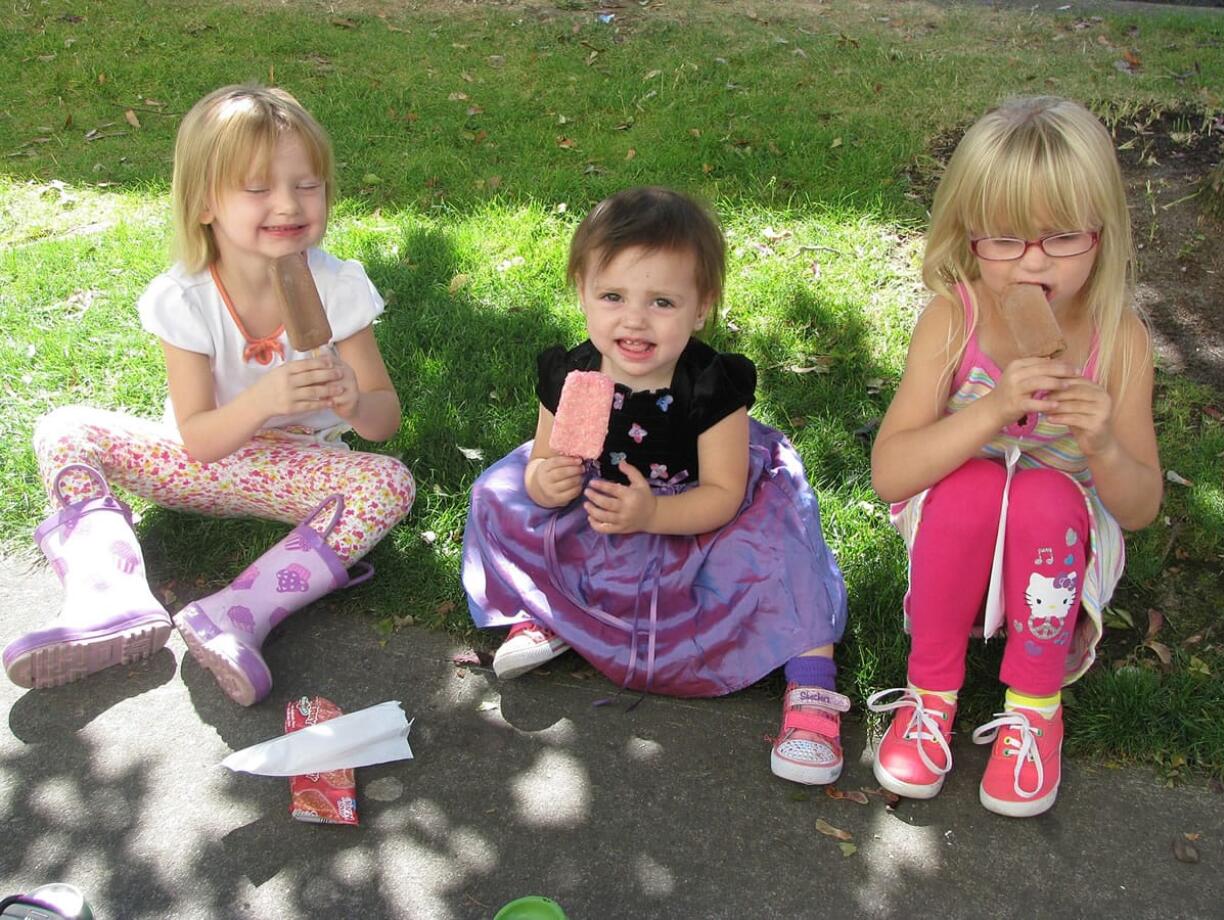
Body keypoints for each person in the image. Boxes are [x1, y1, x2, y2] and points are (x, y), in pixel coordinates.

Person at [2, 85, 414, 705]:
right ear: (203, 204)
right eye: (258, 188)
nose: (288, 203)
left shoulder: (338, 288)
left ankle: (237, 614)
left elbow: (385, 422)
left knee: (389, 482)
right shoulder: (186, 297)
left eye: (308, 184)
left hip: (299, 474)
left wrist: (355, 399)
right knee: (64, 427)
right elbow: (198, 438)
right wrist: (267, 397)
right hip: (196, 464)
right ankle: (107, 595)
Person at [462, 187, 849, 785]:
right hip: (601, 499)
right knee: (495, 493)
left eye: (662, 302)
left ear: (700, 308)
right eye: (612, 296)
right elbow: (542, 463)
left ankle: (812, 688)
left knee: (782, 551)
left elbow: (722, 494)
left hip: (696, 506)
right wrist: (548, 482)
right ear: (582, 296)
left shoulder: (710, 388)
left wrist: (651, 516)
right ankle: (548, 613)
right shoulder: (573, 375)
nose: (634, 320)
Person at [868, 97, 1161, 817]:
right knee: (970, 481)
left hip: (1057, 553)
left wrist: (1102, 444)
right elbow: (890, 475)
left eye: (1061, 237)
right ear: (970, 239)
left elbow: (1141, 506)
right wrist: (995, 410)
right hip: (953, 536)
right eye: (1005, 239)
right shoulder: (953, 320)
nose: (1033, 261)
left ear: (1103, 233)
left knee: (1044, 492)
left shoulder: (1120, 341)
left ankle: (1034, 705)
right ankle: (929, 694)